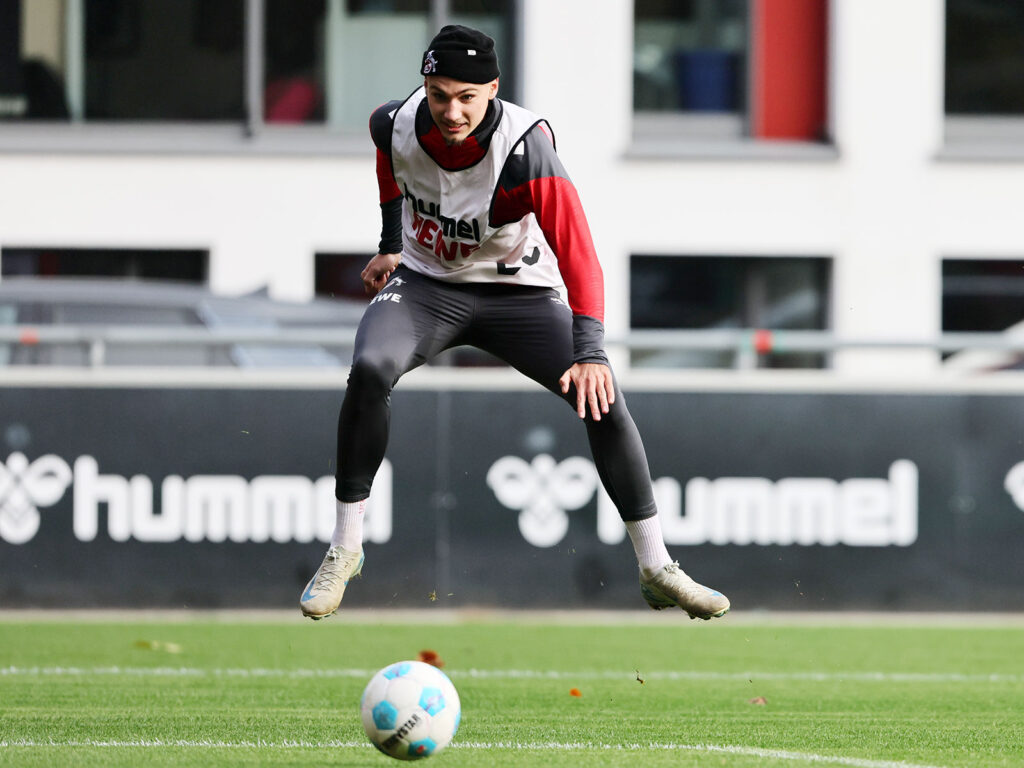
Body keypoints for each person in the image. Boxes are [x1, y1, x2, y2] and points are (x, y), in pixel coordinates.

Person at [300, 25, 729, 622]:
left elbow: (579, 251)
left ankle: (656, 567)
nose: (451, 110)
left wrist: (591, 350)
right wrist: (390, 243)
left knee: (600, 399)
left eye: (467, 98)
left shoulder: (526, 150)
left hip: (515, 295)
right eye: (439, 94)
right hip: (427, 288)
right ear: (424, 86)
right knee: (369, 368)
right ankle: (345, 549)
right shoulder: (392, 123)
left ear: (493, 90)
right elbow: (388, 165)